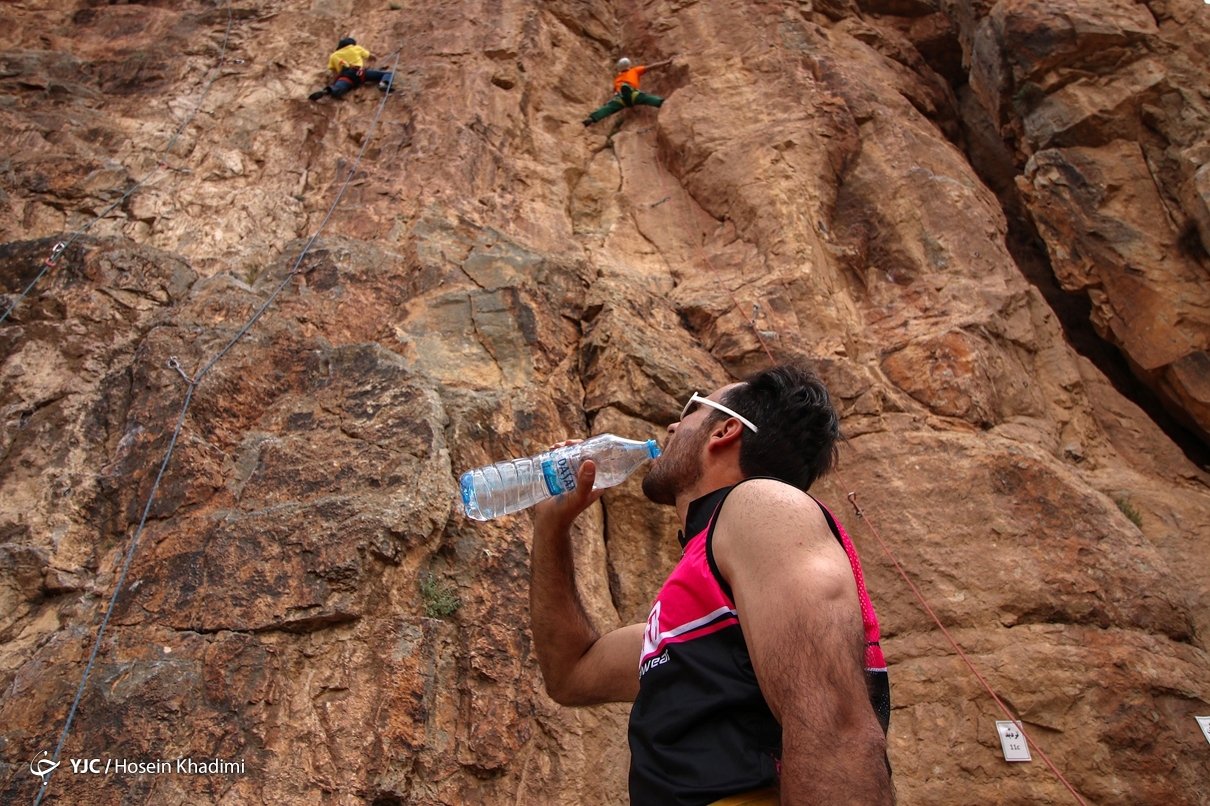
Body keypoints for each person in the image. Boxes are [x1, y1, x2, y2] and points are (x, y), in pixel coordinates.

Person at [529, 364, 894, 806]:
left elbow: (835, 725)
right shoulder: (714, 569)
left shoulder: (765, 506)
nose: (671, 425)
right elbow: (571, 674)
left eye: (689, 410)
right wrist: (551, 528)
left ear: (724, 431)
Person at [583, 56, 673, 126]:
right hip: (633, 94)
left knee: (609, 108)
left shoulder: (617, 78)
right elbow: (651, 67)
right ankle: (664, 103)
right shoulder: (634, 70)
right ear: (629, 65)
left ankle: (592, 118)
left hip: (621, 99)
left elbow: (614, 92)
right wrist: (667, 62)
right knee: (649, 99)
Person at [309, 37, 394, 101]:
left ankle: (327, 91)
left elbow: (335, 74)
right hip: (360, 73)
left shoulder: (333, 56)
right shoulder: (356, 48)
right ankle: (383, 84)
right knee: (388, 74)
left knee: (338, 89)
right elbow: (371, 57)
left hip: (345, 77)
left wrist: (338, 81)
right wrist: (374, 58)